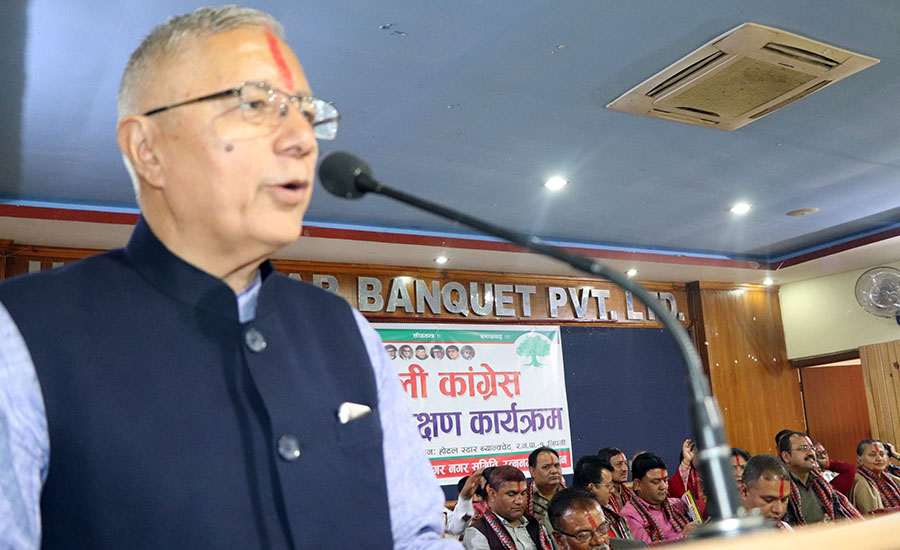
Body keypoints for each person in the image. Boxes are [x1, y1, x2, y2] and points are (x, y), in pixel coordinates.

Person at [0, 6, 457, 549]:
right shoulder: (21, 336)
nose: (303, 140)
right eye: (256, 104)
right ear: (148, 150)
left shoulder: (346, 330)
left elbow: (415, 535)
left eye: (307, 114)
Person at [779, 431, 862, 525]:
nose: (811, 453)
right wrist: (815, 529)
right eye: (804, 448)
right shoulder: (780, 487)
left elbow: (839, 515)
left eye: (812, 448)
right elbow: (781, 526)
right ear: (786, 456)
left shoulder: (821, 484)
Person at [462, 466, 553, 550]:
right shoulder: (478, 533)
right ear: (492, 494)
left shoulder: (536, 526)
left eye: (523, 493)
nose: (520, 501)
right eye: (511, 494)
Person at [619, 453, 698, 544]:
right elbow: (645, 548)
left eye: (665, 480)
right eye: (656, 482)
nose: (663, 486)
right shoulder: (630, 515)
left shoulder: (676, 504)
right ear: (637, 484)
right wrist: (682, 537)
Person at [573, 456, 634, 540]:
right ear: (592, 487)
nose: (612, 490)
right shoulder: (577, 517)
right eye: (608, 485)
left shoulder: (608, 509)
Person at [739, 455, 793, 531]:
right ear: (744, 492)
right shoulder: (727, 535)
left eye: (784, 500)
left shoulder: (787, 530)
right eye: (768, 499)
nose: (779, 510)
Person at [850, 440, 900, 514]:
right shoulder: (859, 481)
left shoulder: (890, 477)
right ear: (860, 460)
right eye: (872, 455)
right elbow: (872, 514)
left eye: (882, 454)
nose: (879, 459)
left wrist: (896, 455)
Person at [666, 439, 707, 521]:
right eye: (697, 451)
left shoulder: (720, 475)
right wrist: (686, 461)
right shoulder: (686, 475)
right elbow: (674, 491)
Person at [527, 447, 566, 534]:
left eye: (557, 466)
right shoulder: (524, 499)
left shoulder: (570, 497)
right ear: (533, 472)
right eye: (546, 467)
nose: (554, 471)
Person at [446, 468, 489, 537]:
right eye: (471, 496)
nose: (475, 499)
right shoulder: (452, 514)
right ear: (459, 495)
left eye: (478, 495)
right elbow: (456, 529)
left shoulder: (488, 512)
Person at [597, 447, 634, 517]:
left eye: (625, 463)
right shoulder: (600, 498)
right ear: (605, 468)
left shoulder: (630, 495)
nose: (625, 469)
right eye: (618, 464)